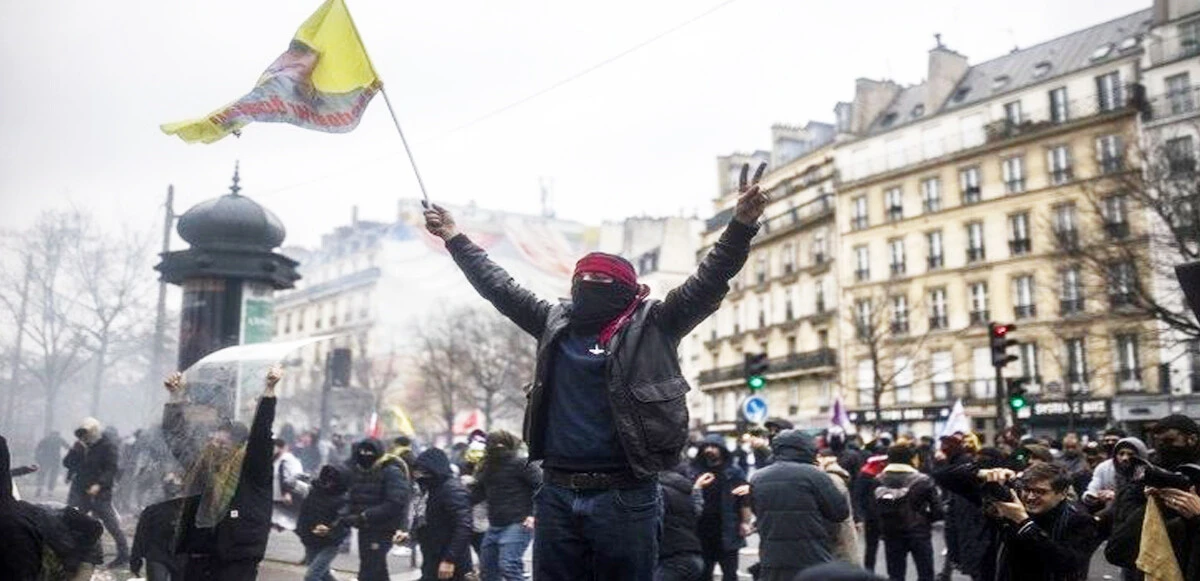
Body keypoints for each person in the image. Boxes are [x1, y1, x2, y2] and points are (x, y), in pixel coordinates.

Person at [424, 161, 770, 581]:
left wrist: (740, 226)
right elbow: (498, 286)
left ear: (626, 289)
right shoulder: (553, 322)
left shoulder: (657, 323)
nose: (588, 283)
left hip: (626, 492)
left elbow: (709, 280)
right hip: (556, 490)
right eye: (581, 277)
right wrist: (455, 238)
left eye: (600, 279)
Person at [160, 367, 283, 581]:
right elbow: (175, 438)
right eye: (213, 441)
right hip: (200, 548)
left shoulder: (253, 469)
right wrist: (175, 397)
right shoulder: (203, 465)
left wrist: (269, 391)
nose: (215, 447)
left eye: (222, 444)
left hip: (237, 555)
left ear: (238, 446)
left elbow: (261, 434)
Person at [935, 455, 1100, 581]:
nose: (1030, 497)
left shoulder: (1080, 520)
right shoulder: (1013, 501)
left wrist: (1024, 523)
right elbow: (943, 477)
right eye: (1027, 489)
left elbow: (1067, 565)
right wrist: (983, 473)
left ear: (1063, 493)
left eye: (1040, 492)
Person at [1106, 414, 1200, 581]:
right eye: (1159, 443)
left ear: (1192, 439)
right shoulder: (1149, 473)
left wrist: (1196, 514)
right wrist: (1154, 502)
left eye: (1170, 441)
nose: (1164, 448)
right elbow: (1117, 548)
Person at [748, 429, 851, 581]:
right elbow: (840, 512)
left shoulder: (757, 478)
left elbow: (757, 511)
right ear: (807, 449)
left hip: (773, 559)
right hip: (811, 557)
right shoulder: (815, 475)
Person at [471, 430, 540, 581]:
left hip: (519, 522)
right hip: (496, 524)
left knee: (508, 565)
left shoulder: (522, 464)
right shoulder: (487, 467)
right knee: (487, 568)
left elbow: (541, 487)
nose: (497, 448)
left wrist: (534, 514)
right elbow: (477, 493)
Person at [62, 416, 129, 568]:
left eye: (87, 433)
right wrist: (74, 450)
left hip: (100, 493)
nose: (85, 437)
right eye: (82, 434)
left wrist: (99, 484)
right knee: (73, 520)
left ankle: (124, 554)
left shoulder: (107, 446)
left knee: (111, 523)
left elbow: (111, 468)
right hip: (80, 490)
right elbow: (67, 463)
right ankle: (73, 553)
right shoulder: (81, 446)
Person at [344, 437, 411, 581]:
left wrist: (365, 515)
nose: (365, 455)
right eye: (362, 451)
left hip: (382, 527)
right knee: (376, 568)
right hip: (366, 527)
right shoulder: (362, 470)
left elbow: (396, 502)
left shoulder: (391, 471)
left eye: (369, 451)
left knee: (369, 569)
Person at [874, 443, 942, 581]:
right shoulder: (923, 480)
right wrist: (925, 519)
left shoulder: (878, 480)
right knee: (925, 574)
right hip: (919, 532)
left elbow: (873, 509)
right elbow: (938, 511)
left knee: (896, 575)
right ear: (910, 458)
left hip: (891, 532)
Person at [690, 435, 751, 581]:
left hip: (727, 528)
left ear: (722, 449)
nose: (709, 450)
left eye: (714, 446)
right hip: (702, 531)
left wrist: (745, 522)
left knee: (730, 573)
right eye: (707, 446)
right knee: (703, 574)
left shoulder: (733, 472)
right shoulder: (695, 471)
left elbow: (744, 499)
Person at [412, 448, 474, 581]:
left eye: (423, 471)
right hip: (433, 557)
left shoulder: (451, 490)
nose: (419, 476)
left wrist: (449, 559)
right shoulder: (430, 489)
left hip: (451, 561)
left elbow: (463, 527)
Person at [297, 465, 351, 581]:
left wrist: (329, 529)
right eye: (327, 479)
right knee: (324, 575)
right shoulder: (314, 491)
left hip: (330, 543)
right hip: (311, 539)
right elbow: (304, 513)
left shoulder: (344, 498)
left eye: (333, 481)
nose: (329, 483)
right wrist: (304, 531)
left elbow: (343, 519)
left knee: (312, 576)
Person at [658, 465, 706, 581]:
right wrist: (697, 489)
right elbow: (697, 511)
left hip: (669, 557)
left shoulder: (657, 492)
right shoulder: (685, 492)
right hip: (692, 555)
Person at [817, 448, 862, 567]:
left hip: (838, 544)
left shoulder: (831, 480)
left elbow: (836, 515)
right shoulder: (835, 477)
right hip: (842, 541)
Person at [851, 452, 888, 573]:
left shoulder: (865, 474)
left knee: (871, 547)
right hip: (881, 516)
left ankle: (868, 572)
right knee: (879, 547)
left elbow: (857, 496)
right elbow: (858, 497)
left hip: (872, 516)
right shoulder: (881, 475)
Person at [272, 437, 306, 533]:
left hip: (284, 496)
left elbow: (293, 477)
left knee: (282, 523)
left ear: (282, 448)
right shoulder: (275, 459)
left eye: (274, 447)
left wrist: (288, 493)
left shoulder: (288, 460)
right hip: (274, 496)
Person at [34, 430, 69, 497]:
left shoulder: (46, 439)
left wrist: (38, 457)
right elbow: (68, 447)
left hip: (45, 459)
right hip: (55, 460)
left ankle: (40, 487)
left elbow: (38, 448)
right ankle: (50, 491)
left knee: (42, 474)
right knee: (53, 475)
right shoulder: (59, 439)